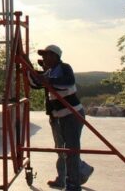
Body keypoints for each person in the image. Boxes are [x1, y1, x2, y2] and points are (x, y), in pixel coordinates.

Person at [28, 45, 94, 191]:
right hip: (58, 116)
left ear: (55, 57)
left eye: (46, 55)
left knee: (71, 151)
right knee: (61, 150)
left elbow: (67, 82)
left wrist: (46, 80)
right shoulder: (50, 72)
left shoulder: (64, 68)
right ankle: (63, 179)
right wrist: (27, 69)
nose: (44, 59)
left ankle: (74, 184)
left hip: (72, 114)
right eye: (43, 56)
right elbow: (35, 84)